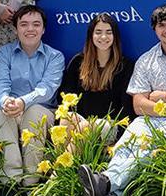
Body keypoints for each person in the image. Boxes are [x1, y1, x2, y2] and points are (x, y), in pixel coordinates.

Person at [78, 4, 166, 196]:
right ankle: (110, 189)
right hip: (158, 117)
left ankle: (106, 182)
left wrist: (162, 97)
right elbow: (139, 105)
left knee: (149, 142)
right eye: (162, 25)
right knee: (129, 140)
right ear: (155, 30)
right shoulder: (146, 60)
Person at [0, 5, 65, 186]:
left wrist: (23, 101)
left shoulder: (55, 57)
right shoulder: (4, 53)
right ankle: (10, 181)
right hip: (11, 110)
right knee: (0, 112)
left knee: (33, 112)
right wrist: (5, 100)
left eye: (36, 24)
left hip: (42, 112)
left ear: (43, 29)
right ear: (16, 29)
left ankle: (30, 183)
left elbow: (47, 89)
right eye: (24, 24)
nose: (30, 29)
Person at [58, 13, 135, 145]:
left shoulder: (125, 66)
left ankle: (63, 164)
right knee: (67, 118)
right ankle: (68, 162)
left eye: (108, 32)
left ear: (114, 36)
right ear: (91, 36)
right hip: (82, 121)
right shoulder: (78, 62)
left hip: (112, 125)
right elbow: (65, 98)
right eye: (98, 32)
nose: (103, 37)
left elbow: (127, 108)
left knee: (85, 128)